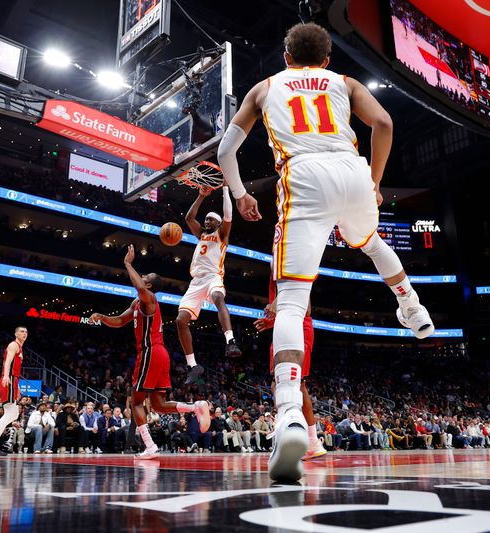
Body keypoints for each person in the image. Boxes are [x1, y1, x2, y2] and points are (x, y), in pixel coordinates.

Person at [217, 22, 434, 481]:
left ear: (286, 55)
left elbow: (226, 151)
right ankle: (412, 307)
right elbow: (385, 124)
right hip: (351, 169)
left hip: (304, 174)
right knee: (372, 243)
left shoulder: (264, 87)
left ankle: (291, 416)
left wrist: (240, 194)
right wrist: (374, 183)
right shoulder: (345, 83)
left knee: (292, 302)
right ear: (327, 60)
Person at [88, 245, 210, 459]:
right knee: (159, 405)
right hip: (160, 354)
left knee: (135, 400)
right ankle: (195, 407)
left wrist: (127, 263)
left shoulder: (149, 299)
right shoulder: (138, 303)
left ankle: (150, 446)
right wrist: (103, 317)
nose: (142, 276)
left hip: (150, 352)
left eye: (146, 276)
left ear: (150, 284)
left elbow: (140, 289)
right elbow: (119, 321)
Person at [254, 278, 326, 461]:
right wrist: (271, 321)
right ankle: (309, 440)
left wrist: (275, 303)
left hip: (298, 327)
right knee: (286, 384)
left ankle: (303, 439)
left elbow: (303, 304)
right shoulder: (276, 264)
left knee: (294, 384)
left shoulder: (293, 259)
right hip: (286, 326)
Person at [176, 185, 242, 386]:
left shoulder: (222, 235)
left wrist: (224, 189)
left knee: (219, 298)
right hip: (196, 282)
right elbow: (188, 218)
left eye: (210, 219)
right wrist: (200, 196)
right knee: (180, 321)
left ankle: (230, 341)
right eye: (205, 220)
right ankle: (193, 365)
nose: (206, 222)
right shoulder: (201, 235)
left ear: (218, 223)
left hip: (213, 276)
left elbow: (229, 215)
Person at [0, 327, 28, 456]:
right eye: (21, 331)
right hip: (8, 380)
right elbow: (7, 361)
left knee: (13, 414)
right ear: (15, 334)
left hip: (13, 381)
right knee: (11, 413)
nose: (24, 334)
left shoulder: (20, 348)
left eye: (26, 332)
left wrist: (17, 386)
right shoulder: (14, 345)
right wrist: (6, 376)